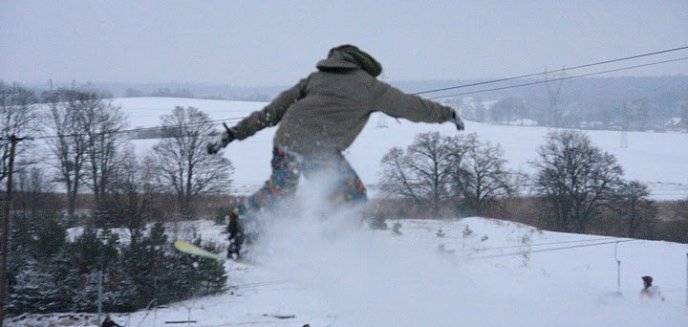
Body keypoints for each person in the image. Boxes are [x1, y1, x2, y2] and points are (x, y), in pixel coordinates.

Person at [207, 44, 464, 226]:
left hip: (288, 142)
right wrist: (447, 114)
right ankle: (335, 246)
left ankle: (241, 221)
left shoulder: (313, 79)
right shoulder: (371, 87)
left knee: (281, 192)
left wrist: (231, 135)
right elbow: (412, 107)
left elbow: (271, 112)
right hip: (321, 152)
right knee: (352, 197)